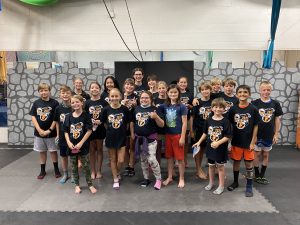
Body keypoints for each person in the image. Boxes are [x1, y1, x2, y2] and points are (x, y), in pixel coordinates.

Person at [193, 98, 232, 195]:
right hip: (210, 148)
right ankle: (211, 183)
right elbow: (205, 133)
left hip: (221, 149)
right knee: (210, 166)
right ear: (212, 108)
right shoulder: (208, 120)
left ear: (224, 109)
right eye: (216, 107)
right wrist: (198, 142)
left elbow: (228, 136)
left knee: (220, 167)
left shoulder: (225, 121)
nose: (218, 109)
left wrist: (218, 143)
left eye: (220, 107)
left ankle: (221, 185)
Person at [227, 85, 259, 197]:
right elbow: (228, 123)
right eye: (240, 92)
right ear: (236, 94)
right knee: (236, 162)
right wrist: (229, 140)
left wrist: (253, 142)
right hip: (236, 141)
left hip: (248, 142)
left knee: (248, 163)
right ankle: (235, 182)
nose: (242, 94)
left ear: (249, 94)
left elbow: (256, 126)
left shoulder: (253, 109)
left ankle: (249, 185)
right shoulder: (233, 109)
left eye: (245, 92)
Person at [131, 91, 164, 190]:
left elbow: (162, 124)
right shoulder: (136, 109)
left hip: (150, 139)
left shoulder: (155, 109)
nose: (144, 100)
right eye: (142, 98)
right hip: (139, 139)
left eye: (146, 98)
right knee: (143, 160)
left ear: (150, 99)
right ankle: (146, 178)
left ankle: (158, 179)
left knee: (152, 160)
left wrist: (156, 117)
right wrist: (132, 133)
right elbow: (133, 122)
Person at [64, 95, 97, 194]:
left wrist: (81, 143)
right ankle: (77, 185)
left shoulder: (86, 116)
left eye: (77, 102)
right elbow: (65, 131)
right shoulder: (68, 117)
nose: (75, 104)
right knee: (74, 166)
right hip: (72, 146)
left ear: (82, 103)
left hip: (83, 146)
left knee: (86, 166)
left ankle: (90, 184)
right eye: (73, 102)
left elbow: (89, 130)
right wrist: (69, 142)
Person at [252, 81, 283, 184]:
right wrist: (253, 136)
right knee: (257, 154)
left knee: (265, 154)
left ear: (271, 90)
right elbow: (251, 120)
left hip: (269, 134)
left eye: (268, 90)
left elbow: (277, 119)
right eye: (264, 90)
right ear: (259, 91)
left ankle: (262, 175)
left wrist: (276, 133)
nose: (266, 92)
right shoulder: (254, 103)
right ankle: (256, 174)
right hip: (257, 134)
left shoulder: (275, 103)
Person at [100, 88, 131, 190]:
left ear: (120, 97)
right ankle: (115, 179)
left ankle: (117, 172)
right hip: (110, 137)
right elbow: (104, 123)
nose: (114, 98)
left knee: (121, 160)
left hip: (122, 137)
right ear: (109, 97)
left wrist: (122, 132)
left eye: (116, 96)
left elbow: (127, 124)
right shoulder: (105, 110)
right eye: (112, 96)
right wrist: (110, 130)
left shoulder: (124, 109)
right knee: (113, 159)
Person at [30, 83, 61, 179]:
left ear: (49, 91)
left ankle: (56, 169)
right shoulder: (36, 103)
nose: (44, 92)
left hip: (51, 133)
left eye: (46, 90)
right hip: (39, 134)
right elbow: (33, 117)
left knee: (53, 151)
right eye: (41, 91)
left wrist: (49, 130)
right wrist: (39, 130)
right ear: (39, 92)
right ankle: (42, 170)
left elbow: (56, 119)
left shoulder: (55, 103)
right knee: (42, 152)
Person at [159, 84, 188, 188]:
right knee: (169, 157)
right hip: (168, 135)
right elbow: (155, 108)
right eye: (171, 92)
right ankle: (170, 177)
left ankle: (181, 178)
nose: (173, 94)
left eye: (175, 92)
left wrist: (183, 137)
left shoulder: (182, 107)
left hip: (178, 135)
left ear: (178, 93)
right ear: (167, 93)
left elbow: (185, 123)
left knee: (180, 159)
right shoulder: (164, 106)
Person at [85, 82, 108, 179]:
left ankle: (99, 170)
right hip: (90, 130)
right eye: (92, 87)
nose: (94, 89)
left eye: (96, 88)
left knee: (99, 150)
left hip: (100, 129)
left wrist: (101, 121)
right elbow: (84, 116)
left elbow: (107, 117)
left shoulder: (104, 103)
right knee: (92, 151)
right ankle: (93, 170)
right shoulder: (87, 103)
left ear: (99, 89)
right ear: (89, 90)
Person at [190, 81, 212, 180]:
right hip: (199, 129)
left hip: (210, 129)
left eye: (207, 89)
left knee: (203, 149)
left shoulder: (214, 101)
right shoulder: (197, 102)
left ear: (210, 90)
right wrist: (191, 131)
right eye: (202, 90)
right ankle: (198, 169)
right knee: (198, 149)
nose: (205, 91)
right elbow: (192, 117)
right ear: (200, 91)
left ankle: (206, 169)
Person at [54, 85, 73, 183]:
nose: (65, 95)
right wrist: (57, 135)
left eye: (67, 93)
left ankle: (74, 175)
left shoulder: (74, 106)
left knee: (73, 156)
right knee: (63, 156)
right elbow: (57, 122)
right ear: (60, 95)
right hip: (62, 137)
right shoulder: (58, 108)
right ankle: (65, 174)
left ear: (71, 94)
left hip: (74, 137)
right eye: (63, 93)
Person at [121, 78, 138, 177]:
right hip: (122, 125)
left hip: (133, 124)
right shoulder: (120, 97)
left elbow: (140, 110)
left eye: (131, 85)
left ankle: (132, 166)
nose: (129, 86)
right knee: (125, 147)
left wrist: (136, 105)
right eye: (127, 84)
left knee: (132, 146)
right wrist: (122, 103)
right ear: (124, 85)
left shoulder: (137, 97)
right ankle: (127, 166)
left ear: (134, 86)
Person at [177, 76, 193, 167]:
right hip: (176, 120)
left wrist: (189, 106)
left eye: (185, 82)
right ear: (178, 83)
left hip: (186, 119)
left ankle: (185, 159)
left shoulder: (190, 94)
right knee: (176, 140)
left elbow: (192, 107)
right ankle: (177, 159)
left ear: (187, 84)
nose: (183, 84)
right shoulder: (175, 93)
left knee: (185, 140)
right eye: (181, 82)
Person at [153, 81, 168, 162]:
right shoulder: (154, 100)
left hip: (168, 127)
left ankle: (170, 168)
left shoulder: (169, 100)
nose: (161, 90)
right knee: (157, 148)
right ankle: (157, 165)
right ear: (157, 89)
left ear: (166, 89)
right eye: (159, 88)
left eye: (163, 88)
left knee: (168, 149)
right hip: (158, 127)